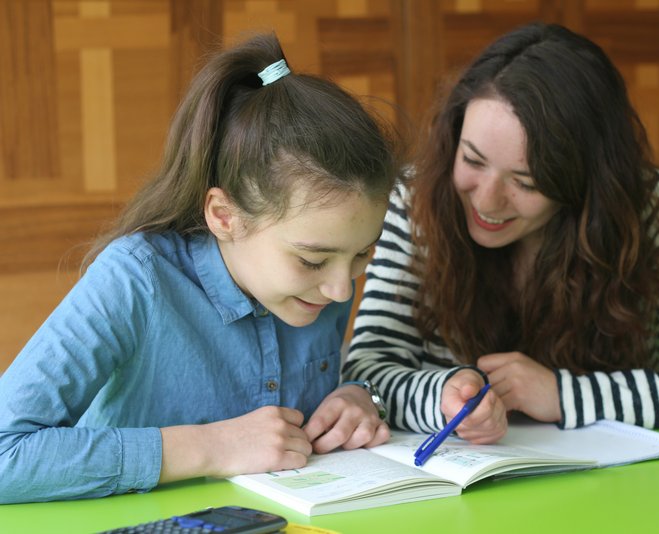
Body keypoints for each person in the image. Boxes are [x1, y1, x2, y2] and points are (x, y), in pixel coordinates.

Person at [0, 32, 399, 503]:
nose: (339, 288)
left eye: (361, 254)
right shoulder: (135, 280)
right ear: (224, 217)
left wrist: (356, 396)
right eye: (311, 260)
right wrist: (210, 446)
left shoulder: (319, 284)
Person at [343, 22, 659, 444]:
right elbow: (366, 374)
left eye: (526, 182)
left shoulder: (642, 208)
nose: (488, 201)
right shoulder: (416, 201)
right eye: (473, 161)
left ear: (584, 181)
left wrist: (561, 395)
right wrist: (440, 395)